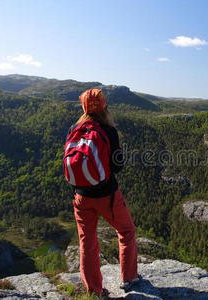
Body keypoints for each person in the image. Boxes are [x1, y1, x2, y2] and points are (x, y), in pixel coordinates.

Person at [67, 89, 140, 297]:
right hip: (107, 195)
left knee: (86, 240)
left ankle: (94, 290)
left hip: (81, 196)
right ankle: (129, 277)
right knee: (126, 232)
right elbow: (118, 167)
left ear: (83, 107)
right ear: (104, 107)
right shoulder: (108, 131)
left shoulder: (74, 128)